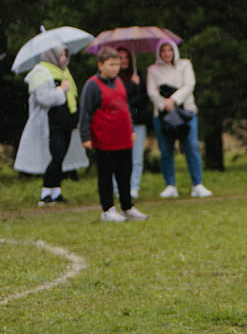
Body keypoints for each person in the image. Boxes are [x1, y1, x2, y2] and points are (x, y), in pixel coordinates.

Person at [78, 47, 148, 222]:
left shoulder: (119, 82)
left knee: (125, 173)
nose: (115, 68)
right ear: (100, 65)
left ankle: (127, 206)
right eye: (111, 64)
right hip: (104, 138)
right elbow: (85, 112)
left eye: (117, 64)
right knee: (106, 175)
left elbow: (125, 108)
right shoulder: (92, 85)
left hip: (123, 137)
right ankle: (107, 209)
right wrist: (85, 137)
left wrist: (131, 129)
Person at [15, 43, 89, 205]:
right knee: (57, 154)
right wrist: (61, 90)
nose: (65, 58)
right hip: (51, 122)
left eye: (66, 55)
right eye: (61, 55)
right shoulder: (41, 72)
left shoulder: (64, 72)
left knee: (61, 156)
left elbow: (72, 96)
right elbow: (43, 98)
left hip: (66, 121)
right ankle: (46, 192)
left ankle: (56, 191)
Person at [147, 40, 212, 198]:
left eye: (169, 50)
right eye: (163, 50)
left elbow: (189, 85)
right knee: (166, 150)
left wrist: (174, 100)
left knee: (192, 147)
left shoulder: (185, 65)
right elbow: (152, 92)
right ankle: (170, 185)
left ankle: (197, 184)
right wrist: (165, 104)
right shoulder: (153, 70)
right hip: (163, 115)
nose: (167, 53)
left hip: (186, 112)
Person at [116, 47, 150, 199]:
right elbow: (120, 99)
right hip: (120, 122)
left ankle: (134, 186)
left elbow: (144, 97)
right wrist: (131, 86)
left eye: (126, 57)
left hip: (137, 120)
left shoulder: (138, 75)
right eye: (120, 57)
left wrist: (135, 88)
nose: (124, 60)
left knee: (137, 157)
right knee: (119, 157)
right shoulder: (114, 79)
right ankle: (118, 187)